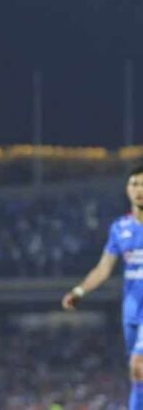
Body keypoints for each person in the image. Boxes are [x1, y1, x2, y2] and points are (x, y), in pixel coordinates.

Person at [62, 164, 143, 410]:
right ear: (127, 189)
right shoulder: (120, 228)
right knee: (137, 376)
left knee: (138, 365)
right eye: (134, 184)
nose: (139, 189)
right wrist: (79, 291)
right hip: (132, 310)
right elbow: (103, 269)